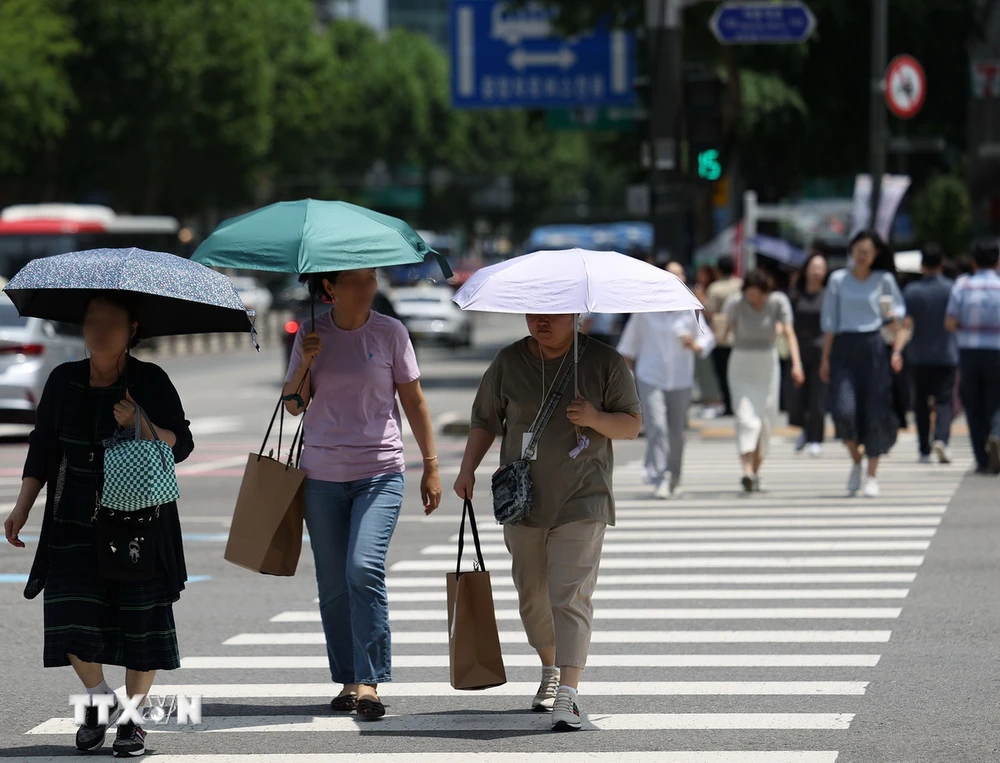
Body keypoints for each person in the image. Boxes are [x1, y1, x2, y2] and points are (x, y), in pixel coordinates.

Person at [3, 293, 194, 758]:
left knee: (141, 625)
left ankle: (133, 722)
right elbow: (43, 447)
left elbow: (181, 443)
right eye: (93, 320)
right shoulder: (64, 380)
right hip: (72, 521)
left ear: (132, 329)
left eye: (112, 321)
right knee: (69, 620)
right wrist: (22, 506)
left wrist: (141, 421)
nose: (100, 329)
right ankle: (99, 700)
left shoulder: (149, 380)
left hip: (138, 525)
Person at [454, 314, 641, 731]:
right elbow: (486, 420)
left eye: (553, 311)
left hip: (583, 497)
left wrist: (594, 417)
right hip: (523, 501)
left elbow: (631, 424)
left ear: (577, 314)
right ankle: (550, 668)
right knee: (533, 594)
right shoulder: (508, 361)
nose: (541, 320)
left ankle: (569, 693)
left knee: (569, 594)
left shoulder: (605, 362)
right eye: (533, 310)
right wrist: (467, 469)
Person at [283, 268, 443, 720]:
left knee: (363, 568)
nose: (367, 288)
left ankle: (370, 681)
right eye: (356, 280)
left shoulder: (390, 332)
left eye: (371, 279)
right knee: (332, 584)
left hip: (380, 472)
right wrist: (306, 363)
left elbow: (413, 400)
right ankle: (349, 680)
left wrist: (430, 466)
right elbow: (294, 406)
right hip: (321, 475)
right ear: (329, 288)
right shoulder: (311, 333)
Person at [820, 231, 908, 497]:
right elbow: (830, 323)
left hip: (875, 348)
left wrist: (893, 325)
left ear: (876, 255)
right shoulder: (837, 279)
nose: (861, 255)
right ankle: (856, 463)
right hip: (844, 348)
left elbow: (898, 318)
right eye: (857, 249)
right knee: (843, 411)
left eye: (867, 251)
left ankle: (871, 475)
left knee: (875, 412)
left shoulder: (884, 280)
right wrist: (825, 358)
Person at [618, 306, 715, 498]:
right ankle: (660, 476)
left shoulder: (690, 311)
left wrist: (696, 345)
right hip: (650, 376)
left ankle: (675, 477)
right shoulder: (644, 311)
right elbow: (628, 346)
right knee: (657, 425)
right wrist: (624, 378)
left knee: (676, 432)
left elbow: (708, 338)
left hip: (681, 378)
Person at [722, 270, 804, 492]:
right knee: (746, 418)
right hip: (741, 363)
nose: (754, 299)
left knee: (766, 421)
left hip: (767, 364)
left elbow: (790, 333)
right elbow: (722, 333)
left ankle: (755, 471)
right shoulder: (736, 303)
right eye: (750, 294)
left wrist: (797, 364)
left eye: (758, 295)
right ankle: (747, 471)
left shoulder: (778, 302)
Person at [945, 241, 1000, 474]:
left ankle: (981, 457)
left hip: (969, 352)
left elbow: (949, 322)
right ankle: (997, 433)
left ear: (974, 262)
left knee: (973, 405)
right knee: (997, 401)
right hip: (997, 351)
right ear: (998, 262)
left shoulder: (963, 285)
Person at [903, 245, 959, 464]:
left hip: (919, 355)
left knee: (921, 403)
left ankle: (924, 448)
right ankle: (942, 439)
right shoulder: (952, 289)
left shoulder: (912, 291)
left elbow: (906, 324)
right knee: (945, 401)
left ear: (922, 265)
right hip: (946, 353)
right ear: (942, 263)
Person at [789, 250, 830, 457]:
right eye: (814, 268)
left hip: (822, 349)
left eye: (821, 268)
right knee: (797, 397)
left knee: (818, 396)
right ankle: (805, 429)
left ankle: (816, 438)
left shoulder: (829, 295)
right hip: (798, 349)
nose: (817, 272)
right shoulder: (795, 296)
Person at [704, 256, 743, 416]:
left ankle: (728, 404)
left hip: (721, 337)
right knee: (738, 372)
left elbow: (709, 313)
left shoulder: (715, 288)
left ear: (718, 270)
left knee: (722, 373)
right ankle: (739, 403)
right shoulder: (741, 285)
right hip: (740, 336)